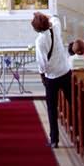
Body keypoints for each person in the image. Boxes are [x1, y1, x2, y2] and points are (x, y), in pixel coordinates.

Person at [33, 12, 71, 148]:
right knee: (72, 101)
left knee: (51, 108)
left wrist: (42, 74)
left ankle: (54, 139)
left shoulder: (40, 40)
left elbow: (41, 62)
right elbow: (54, 17)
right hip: (65, 71)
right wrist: (43, 14)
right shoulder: (55, 26)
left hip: (52, 76)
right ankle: (77, 129)